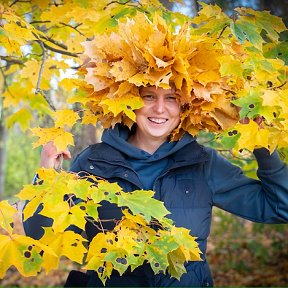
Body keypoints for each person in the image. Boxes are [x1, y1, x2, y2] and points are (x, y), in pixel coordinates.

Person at [23, 85, 288, 287]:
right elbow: (38, 237)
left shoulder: (202, 163)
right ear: (128, 100)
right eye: (149, 96)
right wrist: (46, 174)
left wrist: (262, 147)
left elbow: (280, 207)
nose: (160, 109)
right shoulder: (93, 162)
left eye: (171, 97)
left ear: (185, 106)